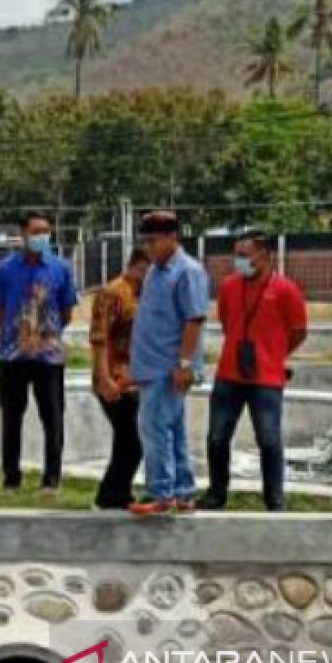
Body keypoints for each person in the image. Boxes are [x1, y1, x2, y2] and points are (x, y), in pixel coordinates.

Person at [200, 232, 307, 512]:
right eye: (236, 255)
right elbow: (226, 321)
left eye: (245, 256)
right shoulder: (228, 287)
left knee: (269, 439)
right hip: (229, 375)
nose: (239, 261)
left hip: (266, 379)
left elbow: (298, 331)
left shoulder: (285, 290)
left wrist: (274, 354)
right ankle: (216, 493)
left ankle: (274, 499)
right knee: (217, 437)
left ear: (264, 256)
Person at [0, 211, 78, 495]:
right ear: (23, 234)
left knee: (52, 418)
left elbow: (67, 310)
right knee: (11, 417)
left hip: (48, 357)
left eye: (46, 231)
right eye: (36, 231)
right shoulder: (4, 269)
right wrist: (15, 334)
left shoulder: (60, 268)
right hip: (12, 356)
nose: (42, 236)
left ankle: (51, 479)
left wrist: (48, 335)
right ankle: (11, 478)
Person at [128, 211, 210, 516]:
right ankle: (182, 492)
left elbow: (193, 320)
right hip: (151, 366)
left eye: (153, 241)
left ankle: (160, 492)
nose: (149, 248)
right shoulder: (154, 271)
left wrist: (184, 364)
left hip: (169, 366)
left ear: (173, 237)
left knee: (152, 428)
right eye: (146, 241)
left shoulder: (188, 271)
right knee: (171, 429)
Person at [89, 245, 151, 510]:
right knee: (132, 440)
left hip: (134, 377)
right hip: (114, 376)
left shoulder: (144, 294)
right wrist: (104, 378)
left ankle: (117, 493)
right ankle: (110, 493)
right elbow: (99, 338)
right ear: (138, 264)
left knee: (127, 440)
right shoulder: (113, 293)